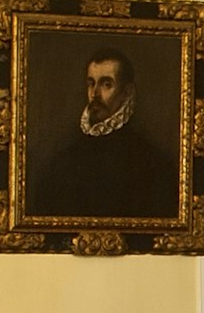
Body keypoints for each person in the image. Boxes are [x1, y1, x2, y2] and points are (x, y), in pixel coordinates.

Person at [35, 44, 174, 225]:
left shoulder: (151, 162)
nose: (95, 94)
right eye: (91, 84)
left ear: (127, 92)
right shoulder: (64, 160)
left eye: (106, 84)